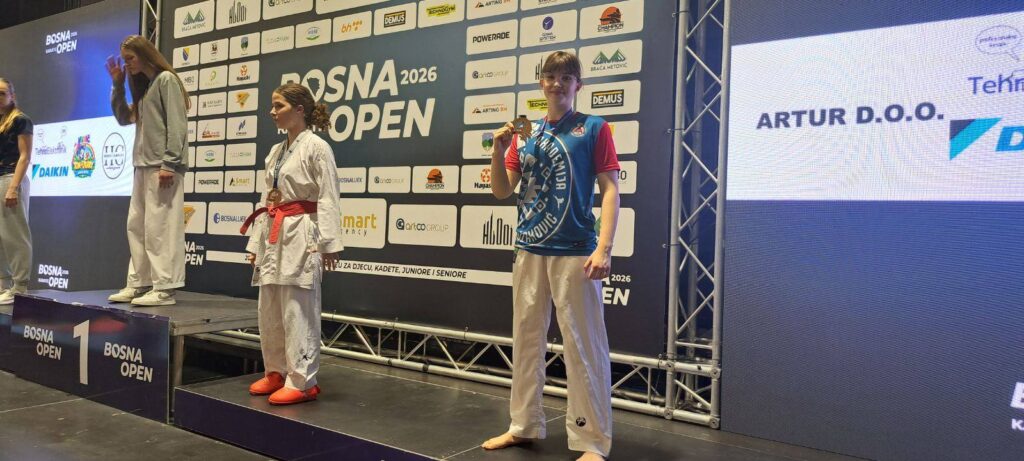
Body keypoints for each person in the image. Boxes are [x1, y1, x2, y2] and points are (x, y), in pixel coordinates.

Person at [481, 51, 620, 461]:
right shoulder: (525, 133)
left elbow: (610, 190)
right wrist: (498, 150)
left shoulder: (593, 127)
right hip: (528, 249)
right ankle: (523, 425)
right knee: (526, 340)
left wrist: (604, 248)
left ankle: (592, 441)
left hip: (575, 250)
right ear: (540, 83)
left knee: (583, 345)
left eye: (566, 77)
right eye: (550, 76)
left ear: (578, 84)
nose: (557, 83)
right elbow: (502, 191)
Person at [240, 82, 343, 405]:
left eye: (279, 106)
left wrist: (329, 243)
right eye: (273, 105)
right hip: (274, 230)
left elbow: (328, 196)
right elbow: (266, 199)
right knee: (269, 306)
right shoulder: (276, 151)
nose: (272, 112)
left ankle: (302, 380)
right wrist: (255, 244)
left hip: (302, 231)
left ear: (300, 110)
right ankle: (275, 370)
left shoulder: (317, 147)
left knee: (298, 306)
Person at [105, 35, 190, 306]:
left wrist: (169, 163)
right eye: (125, 59)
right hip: (142, 166)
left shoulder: (166, 80)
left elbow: (177, 124)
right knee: (138, 226)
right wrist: (118, 84)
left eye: (130, 58)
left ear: (145, 54)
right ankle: (139, 282)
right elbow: (123, 118)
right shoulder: (145, 88)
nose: (127, 64)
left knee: (160, 227)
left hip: (162, 167)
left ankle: (165, 287)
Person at [0, 78, 33, 305]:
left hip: (11, 179)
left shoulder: (20, 120)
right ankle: (3, 284)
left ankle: (20, 287)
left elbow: (25, 156)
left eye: (2, 93)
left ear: (12, 95)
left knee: (15, 235)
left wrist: (13, 188)